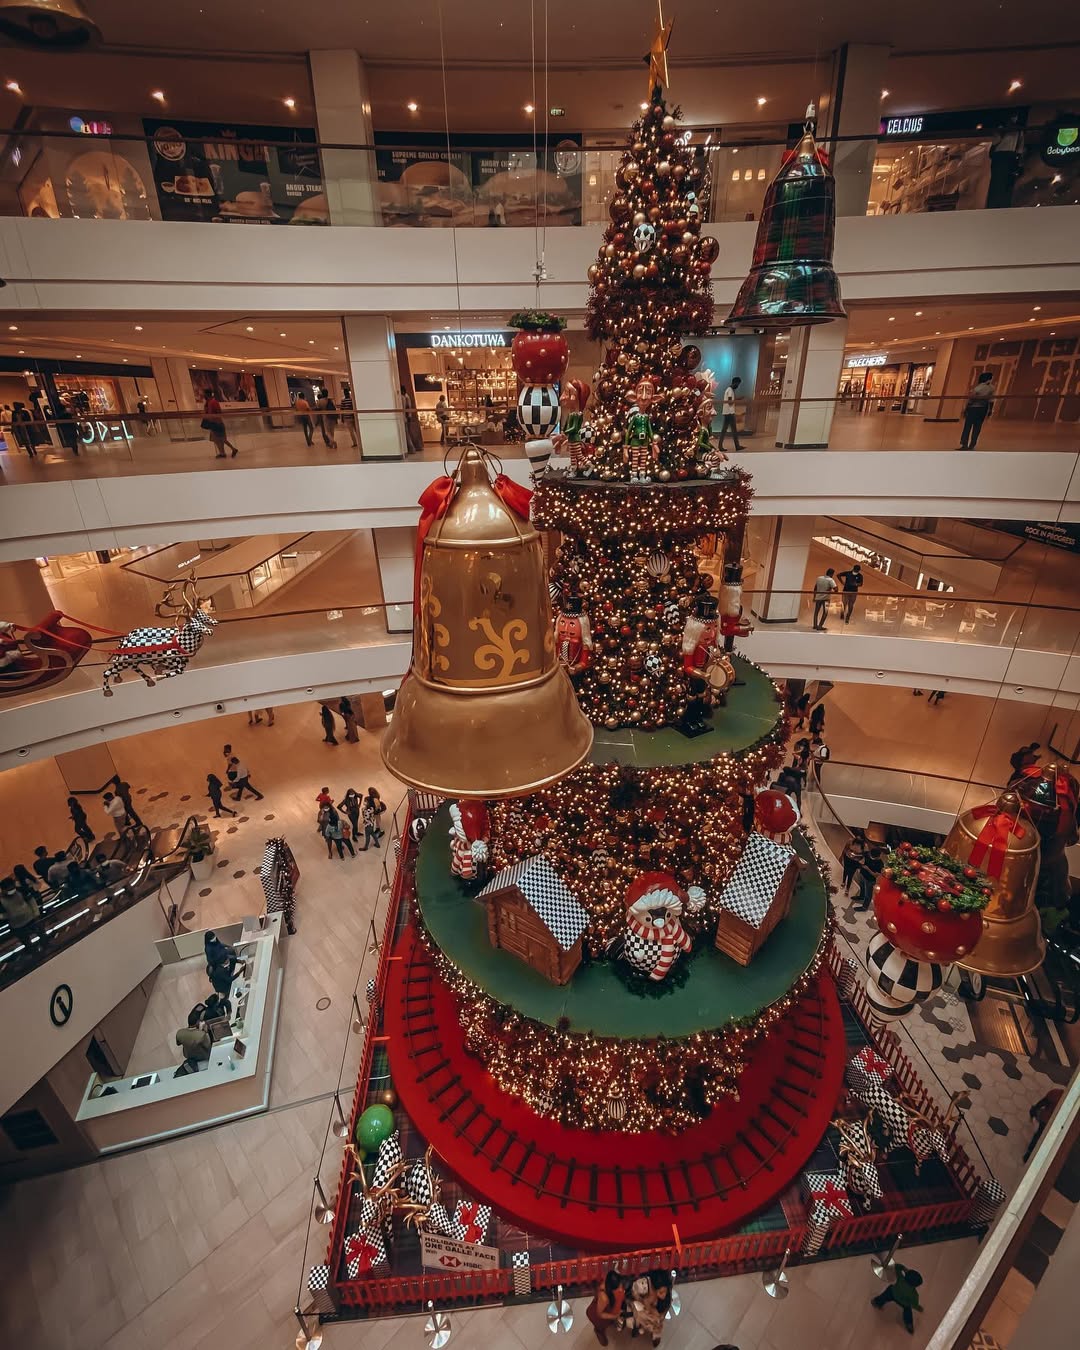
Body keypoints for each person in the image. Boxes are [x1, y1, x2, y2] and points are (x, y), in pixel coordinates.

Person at [871, 1262, 924, 1334]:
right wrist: (918, 1307)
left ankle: (876, 1302)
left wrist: (904, 1268)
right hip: (903, 1302)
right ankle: (909, 1325)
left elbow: (896, 1267)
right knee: (908, 1310)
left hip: (893, 1293)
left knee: (884, 1296)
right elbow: (914, 1304)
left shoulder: (900, 1278)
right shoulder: (914, 1294)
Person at [987, 113, 1024, 209]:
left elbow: (1020, 145)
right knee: (997, 181)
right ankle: (994, 204)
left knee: (1004, 181)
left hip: (1008, 155)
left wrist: (1018, 158)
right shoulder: (1003, 128)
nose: (1014, 118)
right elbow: (996, 141)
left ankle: (1001, 204)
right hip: (1000, 155)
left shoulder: (1018, 130)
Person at [0, 877, 44, 951]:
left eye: (12, 888)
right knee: (26, 942)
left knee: (41, 933)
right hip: (17, 925)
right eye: (9, 889)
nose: (12, 890)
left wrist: (36, 914)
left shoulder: (21, 890)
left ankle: (45, 944)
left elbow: (32, 901)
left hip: (31, 919)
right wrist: (9, 915)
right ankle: (32, 951)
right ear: (3, 890)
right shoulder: (1, 900)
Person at [585, 1270, 625, 1347]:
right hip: (598, 1316)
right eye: (618, 1286)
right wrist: (615, 1316)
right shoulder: (604, 1297)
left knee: (609, 1321)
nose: (620, 1288)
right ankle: (599, 1332)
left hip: (607, 1308)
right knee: (601, 1326)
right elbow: (600, 1314)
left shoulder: (608, 1280)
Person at [1023, 1087, 1063, 1161]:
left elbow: (1042, 1103)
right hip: (1052, 1122)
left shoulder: (1055, 1093)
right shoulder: (1057, 1094)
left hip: (1046, 1119)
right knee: (1040, 1135)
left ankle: (1029, 1153)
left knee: (1038, 1135)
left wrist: (1035, 1109)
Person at [959, 372, 995, 450]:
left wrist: (966, 408)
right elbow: (991, 400)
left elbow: (971, 397)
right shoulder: (992, 388)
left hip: (974, 408)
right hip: (983, 409)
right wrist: (990, 410)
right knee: (977, 427)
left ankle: (964, 444)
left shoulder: (979, 387)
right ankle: (972, 444)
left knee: (968, 426)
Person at [202, 389, 239, 459]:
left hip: (216, 423)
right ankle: (222, 453)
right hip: (213, 423)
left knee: (221, 439)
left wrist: (213, 417)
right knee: (216, 439)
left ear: (207, 394)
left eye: (204, 394)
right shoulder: (209, 402)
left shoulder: (213, 402)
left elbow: (218, 412)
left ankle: (232, 449)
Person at [854, 845, 884, 910]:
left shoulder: (880, 864)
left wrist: (868, 869)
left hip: (870, 880)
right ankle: (861, 896)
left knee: (868, 894)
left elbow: (876, 875)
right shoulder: (868, 854)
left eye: (873, 857)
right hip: (862, 874)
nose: (871, 857)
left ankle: (865, 907)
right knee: (861, 886)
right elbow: (861, 855)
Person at [717, 376, 742, 451]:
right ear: (735, 383)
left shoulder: (729, 390)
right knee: (734, 430)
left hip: (727, 412)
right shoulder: (730, 390)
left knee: (724, 429)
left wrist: (737, 399)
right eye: (738, 384)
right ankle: (737, 446)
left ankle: (720, 445)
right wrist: (736, 401)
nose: (738, 386)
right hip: (730, 412)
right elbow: (730, 402)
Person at [340, 384, 359, 448]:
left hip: (347, 418)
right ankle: (360, 441)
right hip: (353, 416)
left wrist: (342, 418)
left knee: (351, 431)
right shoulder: (352, 400)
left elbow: (342, 409)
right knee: (356, 430)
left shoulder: (343, 401)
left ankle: (355, 443)